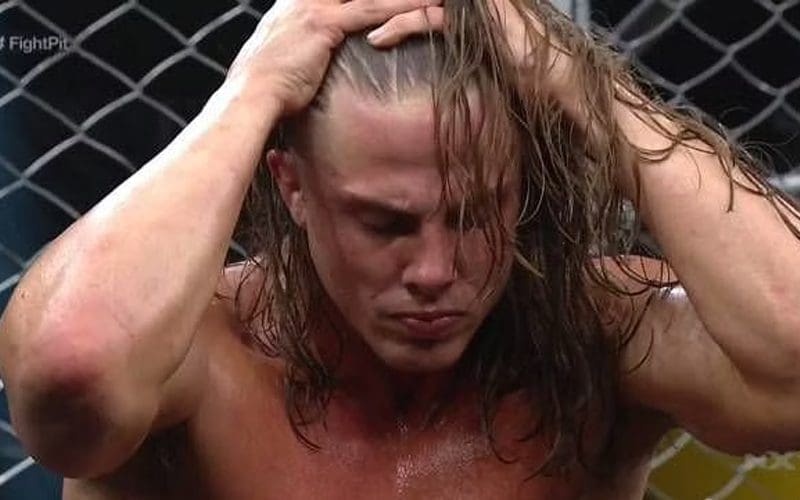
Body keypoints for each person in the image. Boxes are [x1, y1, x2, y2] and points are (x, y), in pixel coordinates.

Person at [2, 0, 800, 498]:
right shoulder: (201, 353)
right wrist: (248, 95)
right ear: (292, 186)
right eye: (384, 224)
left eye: (475, 216)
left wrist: (586, 88)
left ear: (521, 187)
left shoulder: (596, 337)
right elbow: (69, 374)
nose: (434, 273)